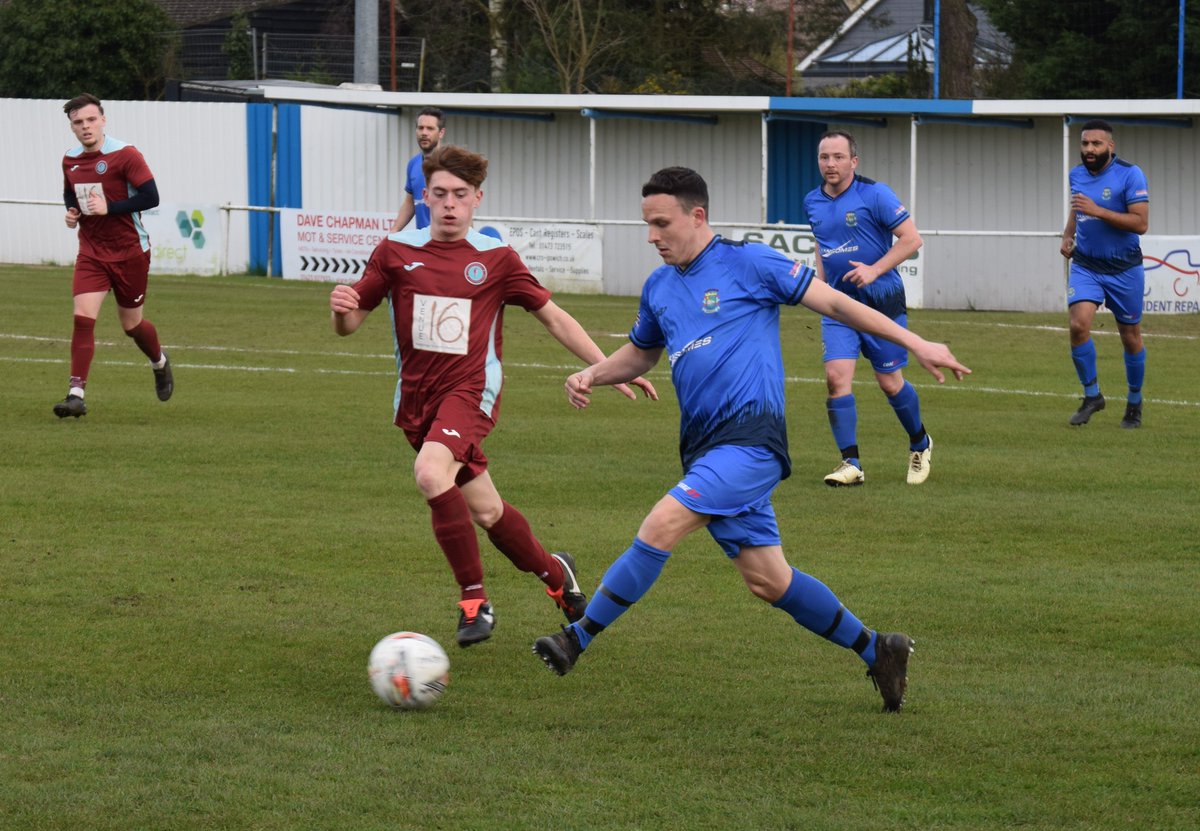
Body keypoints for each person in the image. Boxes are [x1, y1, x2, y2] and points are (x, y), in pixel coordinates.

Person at [531, 167, 969, 712]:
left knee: (660, 524)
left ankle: (578, 639)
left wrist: (915, 339)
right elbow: (643, 353)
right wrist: (593, 373)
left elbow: (833, 304)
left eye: (661, 223)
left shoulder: (749, 262)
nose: (652, 236)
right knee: (769, 580)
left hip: (752, 444)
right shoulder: (659, 287)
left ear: (697, 216)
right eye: (646, 225)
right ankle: (877, 648)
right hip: (704, 448)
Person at [330, 145, 657, 647]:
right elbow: (350, 324)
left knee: (429, 473)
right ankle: (556, 577)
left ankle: (473, 599)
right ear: (424, 196)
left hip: (470, 392)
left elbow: (553, 316)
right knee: (485, 511)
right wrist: (341, 307)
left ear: (477, 198)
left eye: (460, 195)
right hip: (418, 401)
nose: (450, 204)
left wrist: (607, 368)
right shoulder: (394, 251)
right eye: (439, 194)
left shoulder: (496, 258)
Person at [803, 131, 931, 486]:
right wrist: (819, 282)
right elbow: (822, 243)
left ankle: (920, 442)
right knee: (836, 379)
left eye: (838, 157)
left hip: (881, 300)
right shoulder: (811, 201)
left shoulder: (875, 194)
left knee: (889, 383)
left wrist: (875, 270)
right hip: (838, 304)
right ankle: (851, 464)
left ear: (853, 162)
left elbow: (912, 239)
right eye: (824, 157)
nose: (830, 163)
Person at [55, 93, 172, 418]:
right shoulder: (69, 159)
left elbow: (151, 196)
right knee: (82, 318)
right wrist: (71, 212)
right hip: (92, 252)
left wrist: (111, 208)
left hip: (130, 252)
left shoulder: (125, 154)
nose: (85, 127)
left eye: (91, 120)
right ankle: (76, 394)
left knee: (132, 325)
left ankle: (159, 362)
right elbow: (69, 192)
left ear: (103, 120)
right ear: (72, 127)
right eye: (78, 122)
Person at [1060, 119, 1150, 428]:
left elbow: (1140, 224)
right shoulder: (1076, 174)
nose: (1088, 149)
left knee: (1130, 336)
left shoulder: (1130, 174)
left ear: (1110, 147)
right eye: (1085, 143)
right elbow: (1078, 208)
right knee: (1078, 325)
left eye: (1096, 144)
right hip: (1087, 264)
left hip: (1125, 268)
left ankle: (1134, 402)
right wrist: (1067, 234)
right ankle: (1092, 396)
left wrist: (1099, 211)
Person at [388, 107, 446, 233]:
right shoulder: (413, 164)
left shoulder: (452, 163)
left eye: (430, 128)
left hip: (448, 244)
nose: (424, 133)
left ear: (441, 133)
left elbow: (465, 205)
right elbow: (410, 202)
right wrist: (393, 232)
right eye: (420, 128)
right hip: (423, 245)